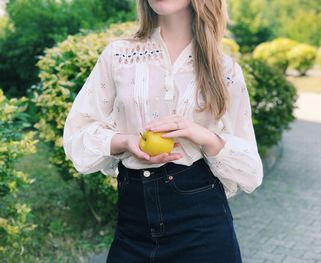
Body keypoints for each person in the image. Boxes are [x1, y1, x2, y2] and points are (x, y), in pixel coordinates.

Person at [62, 0, 264, 262]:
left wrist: (204, 136)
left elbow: (250, 169)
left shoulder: (224, 70)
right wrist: (126, 141)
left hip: (202, 226)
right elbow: (78, 132)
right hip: (132, 225)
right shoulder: (119, 55)